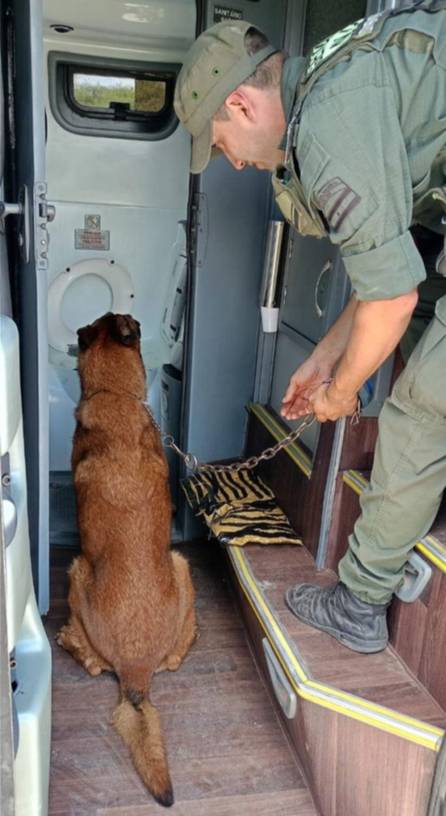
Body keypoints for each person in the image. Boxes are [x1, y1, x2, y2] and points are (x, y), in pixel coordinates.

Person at [174, 3, 446, 653]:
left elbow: (392, 296)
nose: (232, 163)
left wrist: (342, 391)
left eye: (218, 144)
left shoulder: (327, 126)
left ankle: (357, 604)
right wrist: (328, 358)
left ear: (241, 104)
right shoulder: (329, 86)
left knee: (421, 403)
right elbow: (397, 254)